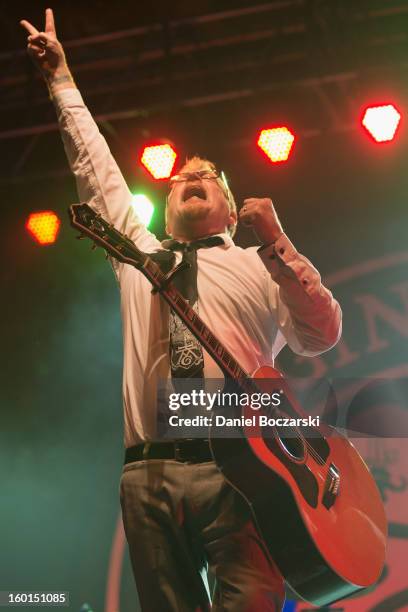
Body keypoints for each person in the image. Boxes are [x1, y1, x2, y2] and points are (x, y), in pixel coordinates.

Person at [21, 9, 342, 611]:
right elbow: (96, 171)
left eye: (208, 175)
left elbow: (319, 335)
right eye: (180, 177)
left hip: (244, 470)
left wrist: (277, 243)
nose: (191, 175)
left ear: (227, 203)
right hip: (148, 472)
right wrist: (61, 80)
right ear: (166, 206)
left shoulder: (259, 264)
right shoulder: (138, 254)